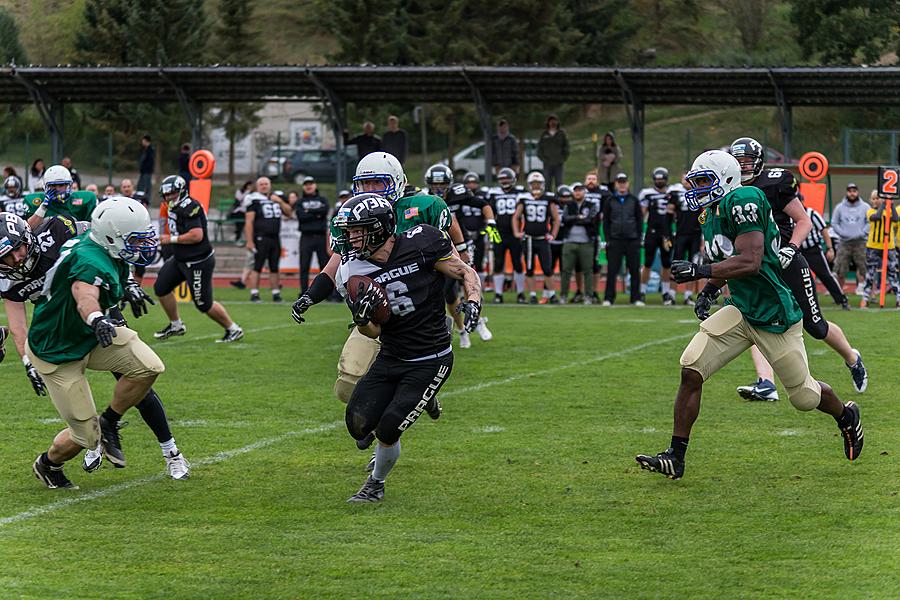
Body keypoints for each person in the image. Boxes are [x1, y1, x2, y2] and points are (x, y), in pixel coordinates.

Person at [636, 150, 864, 480]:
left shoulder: (746, 197)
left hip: (775, 315)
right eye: (695, 181)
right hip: (742, 310)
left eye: (703, 181)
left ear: (726, 180)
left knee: (804, 396)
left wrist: (702, 270)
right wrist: (710, 288)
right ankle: (676, 456)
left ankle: (845, 415)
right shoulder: (710, 214)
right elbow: (729, 258)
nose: (696, 188)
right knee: (691, 368)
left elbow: (750, 260)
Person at [0, 212, 189, 480]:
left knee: (141, 375)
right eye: (7, 256)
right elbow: (18, 326)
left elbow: (104, 241)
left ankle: (171, 452)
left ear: (28, 237)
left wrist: (128, 283)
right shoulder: (7, 279)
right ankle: (84, 444)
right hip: (60, 336)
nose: (16, 259)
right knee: (84, 429)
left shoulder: (56, 232)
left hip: (99, 311)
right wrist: (27, 362)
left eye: (17, 248)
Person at [332, 193, 482, 502]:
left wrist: (473, 301)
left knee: (388, 430)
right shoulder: (353, 270)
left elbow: (464, 270)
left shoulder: (422, 241)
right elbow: (371, 331)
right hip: (391, 353)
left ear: (379, 229)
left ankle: (375, 485)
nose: (349, 238)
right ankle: (421, 402)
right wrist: (362, 317)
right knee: (358, 425)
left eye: (356, 230)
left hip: (431, 357)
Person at [291, 151, 456, 406]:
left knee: (408, 376)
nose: (371, 189)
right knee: (347, 384)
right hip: (374, 310)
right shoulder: (353, 217)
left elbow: (449, 254)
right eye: (364, 184)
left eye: (377, 182)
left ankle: (414, 399)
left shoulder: (423, 207)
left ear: (397, 181)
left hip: (414, 313)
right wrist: (310, 297)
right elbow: (334, 264)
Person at [729, 137, 867, 402]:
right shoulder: (730, 188)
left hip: (786, 260)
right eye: (738, 162)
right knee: (755, 318)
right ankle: (766, 383)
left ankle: (852, 357)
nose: (742, 166)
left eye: (746, 161)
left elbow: (803, 220)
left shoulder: (774, 183)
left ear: (758, 162)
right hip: (756, 265)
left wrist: (791, 248)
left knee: (814, 326)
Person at [153, 175, 244, 343]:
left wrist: (171, 239)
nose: (168, 198)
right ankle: (176, 325)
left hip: (197, 261)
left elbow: (197, 235)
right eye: (166, 195)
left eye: (172, 193)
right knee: (161, 288)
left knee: (204, 304)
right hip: (180, 259)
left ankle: (233, 329)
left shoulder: (190, 207)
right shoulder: (174, 206)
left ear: (180, 191)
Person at [443, 182, 497, 346]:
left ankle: (478, 320)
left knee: (468, 282)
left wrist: (491, 222)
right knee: (449, 295)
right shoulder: (424, 198)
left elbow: (483, 204)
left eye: (441, 184)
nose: (438, 188)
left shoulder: (455, 195)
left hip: (462, 246)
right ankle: (461, 330)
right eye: (434, 184)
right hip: (441, 248)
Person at [243, 177, 293, 302]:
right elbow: (249, 221)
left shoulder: (275, 198)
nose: (264, 186)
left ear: (270, 185)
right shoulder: (253, 199)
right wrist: (249, 240)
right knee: (257, 266)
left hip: (275, 238)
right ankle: (254, 293)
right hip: (260, 237)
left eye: (266, 184)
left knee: (274, 266)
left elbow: (289, 213)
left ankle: (276, 293)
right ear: (257, 186)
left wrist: (280, 202)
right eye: (261, 184)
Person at [514, 171, 561, 304]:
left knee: (548, 268)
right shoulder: (524, 198)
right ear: (529, 184)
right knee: (529, 269)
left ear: (542, 184)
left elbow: (556, 218)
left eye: (538, 183)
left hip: (542, 239)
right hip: (528, 239)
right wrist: (517, 232)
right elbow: (515, 217)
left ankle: (552, 294)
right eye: (533, 183)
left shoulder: (548, 198)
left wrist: (553, 234)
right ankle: (533, 295)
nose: (535, 186)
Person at [602, 173, 642, 306]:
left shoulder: (634, 200)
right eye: (619, 182)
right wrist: (608, 239)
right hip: (615, 240)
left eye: (624, 182)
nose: (622, 185)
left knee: (634, 270)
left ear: (628, 184)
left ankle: (635, 298)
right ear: (616, 184)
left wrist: (638, 238)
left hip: (632, 240)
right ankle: (609, 298)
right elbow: (606, 222)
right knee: (612, 270)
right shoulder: (609, 201)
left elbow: (639, 220)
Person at [638, 167, 677, 305]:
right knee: (647, 262)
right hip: (652, 232)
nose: (659, 181)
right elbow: (642, 214)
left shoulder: (673, 192)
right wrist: (640, 231)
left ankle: (666, 293)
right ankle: (642, 292)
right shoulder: (647, 193)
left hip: (666, 234)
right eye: (657, 179)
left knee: (666, 263)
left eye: (662, 179)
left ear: (666, 179)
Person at [487, 167, 526, 303]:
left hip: (514, 233)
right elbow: (489, 214)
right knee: (498, 263)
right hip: (498, 233)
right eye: (502, 179)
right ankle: (498, 294)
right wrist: (491, 234)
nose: (505, 181)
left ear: (513, 179)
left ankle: (521, 293)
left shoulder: (521, 193)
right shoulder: (494, 193)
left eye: (507, 178)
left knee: (517, 263)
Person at [799, 202, 847, 307]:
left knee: (825, 275)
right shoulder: (788, 215)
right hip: (798, 250)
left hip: (813, 250)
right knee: (795, 277)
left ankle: (842, 299)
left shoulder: (812, 214)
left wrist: (830, 248)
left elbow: (824, 230)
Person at [23, 165, 97, 230]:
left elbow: (92, 229)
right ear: (46, 186)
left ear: (69, 185)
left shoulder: (85, 199)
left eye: (61, 185)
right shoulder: (35, 200)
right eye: (53, 186)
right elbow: (28, 230)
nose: (57, 189)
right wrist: (43, 208)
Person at [560, 182, 600, 303]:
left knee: (588, 270)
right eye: (576, 190)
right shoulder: (569, 205)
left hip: (586, 242)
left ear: (584, 192)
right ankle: (563, 295)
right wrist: (578, 217)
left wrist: (576, 219)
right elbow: (565, 219)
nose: (578, 192)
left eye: (580, 190)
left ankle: (588, 295)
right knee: (566, 270)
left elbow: (591, 220)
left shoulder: (591, 205)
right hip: (569, 241)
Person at [860, 192, 900, 307]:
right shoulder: (870, 211)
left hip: (889, 246)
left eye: (878, 198)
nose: (876, 200)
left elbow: (896, 219)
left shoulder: (890, 211)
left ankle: (898, 298)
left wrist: (890, 204)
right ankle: (865, 298)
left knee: (892, 273)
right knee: (870, 274)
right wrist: (883, 205)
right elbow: (876, 217)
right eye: (874, 199)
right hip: (873, 246)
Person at [293, 176, 330, 295]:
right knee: (304, 266)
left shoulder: (323, 199)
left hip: (320, 237)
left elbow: (324, 211)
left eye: (311, 183)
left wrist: (309, 212)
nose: (309, 186)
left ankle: (325, 292)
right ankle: (304, 292)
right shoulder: (300, 202)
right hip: (306, 237)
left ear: (315, 185)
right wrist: (316, 214)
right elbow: (301, 216)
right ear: (303, 186)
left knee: (324, 266)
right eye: (306, 184)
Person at [831, 182, 870, 294]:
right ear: (847, 192)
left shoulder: (865, 207)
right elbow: (834, 223)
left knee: (864, 267)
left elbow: (869, 222)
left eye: (854, 191)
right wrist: (842, 233)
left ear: (857, 192)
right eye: (850, 191)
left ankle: (865, 291)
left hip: (861, 242)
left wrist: (862, 233)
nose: (852, 193)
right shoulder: (839, 207)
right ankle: (839, 292)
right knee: (840, 268)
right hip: (844, 242)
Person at [671, 174, 701, 305]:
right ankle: (671, 294)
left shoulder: (700, 193)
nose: (687, 181)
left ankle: (688, 295)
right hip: (681, 233)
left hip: (695, 234)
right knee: (676, 264)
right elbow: (669, 213)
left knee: (692, 265)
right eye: (685, 179)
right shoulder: (676, 193)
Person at [583, 171, 609, 303]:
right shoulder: (580, 192)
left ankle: (594, 291)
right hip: (582, 231)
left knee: (595, 264)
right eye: (589, 179)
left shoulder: (603, 192)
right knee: (582, 264)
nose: (591, 181)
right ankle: (582, 291)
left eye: (593, 179)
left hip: (596, 231)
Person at [537, 114, 570, 190]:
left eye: (554, 121)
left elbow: (566, 147)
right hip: (547, 164)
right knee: (547, 183)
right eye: (551, 121)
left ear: (557, 122)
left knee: (559, 183)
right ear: (548, 122)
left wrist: (563, 158)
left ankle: (560, 199)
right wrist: (544, 159)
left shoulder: (561, 134)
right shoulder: (544, 134)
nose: (553, 122)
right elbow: (539, 149)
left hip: (559, 164)